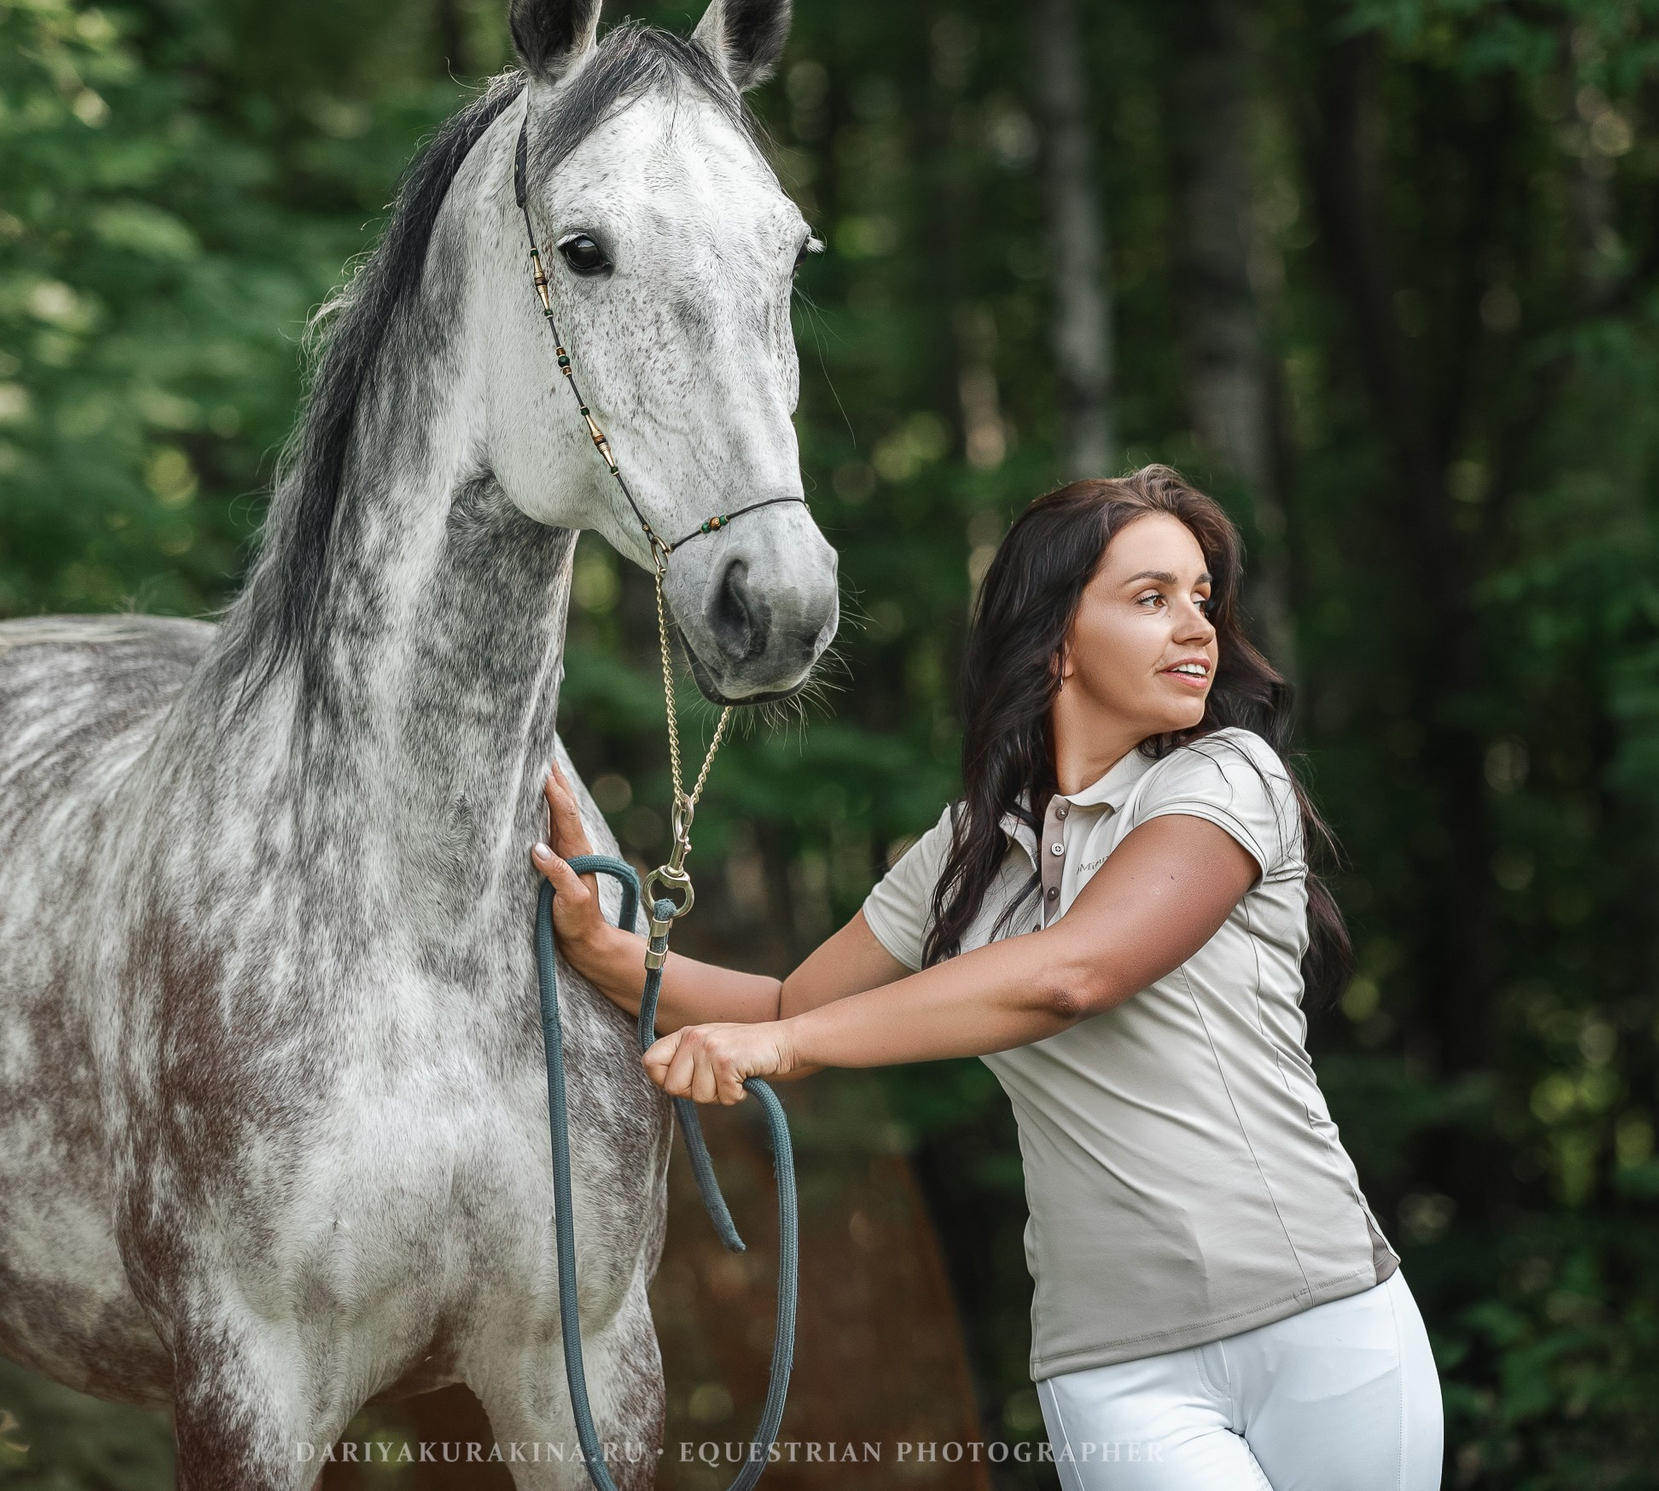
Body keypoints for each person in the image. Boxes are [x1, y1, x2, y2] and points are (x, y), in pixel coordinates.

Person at [531, 464, 1441, 1491]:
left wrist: (779, 1047)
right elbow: (792, 1003)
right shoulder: (969, 850)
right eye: (1151, 598)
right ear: (1055, 638)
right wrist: (611, 950)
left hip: (1324, 1322)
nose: (1198, 626)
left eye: (1202, 599)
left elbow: (1074, 972)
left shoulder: (1227, 778)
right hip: (1116, 1365)